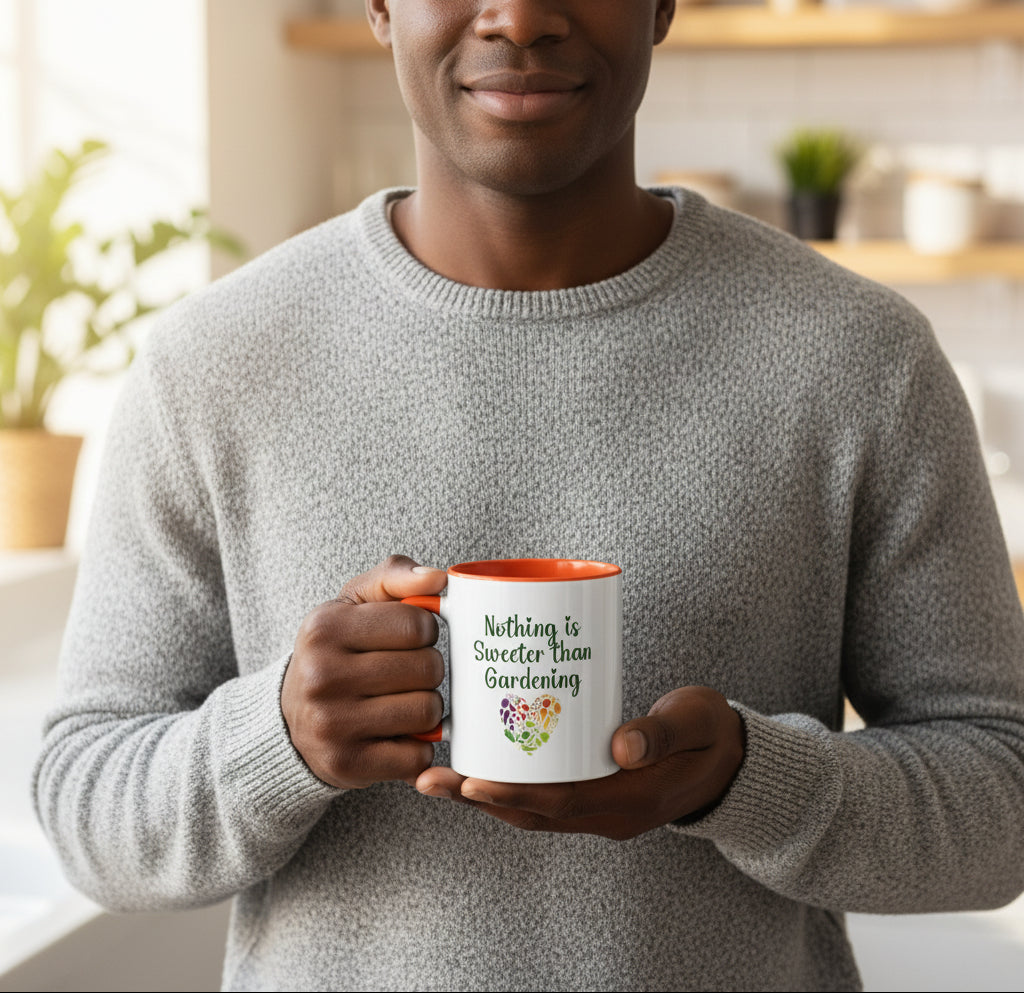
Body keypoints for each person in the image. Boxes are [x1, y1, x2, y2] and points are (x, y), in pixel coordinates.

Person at [34, 1, 1024, 990]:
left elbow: (1001, 805)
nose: (519, 16)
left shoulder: (857, 360)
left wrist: (747, 781)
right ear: (379, 6)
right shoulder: (213, 366)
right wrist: (280, 735)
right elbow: (88, 808)